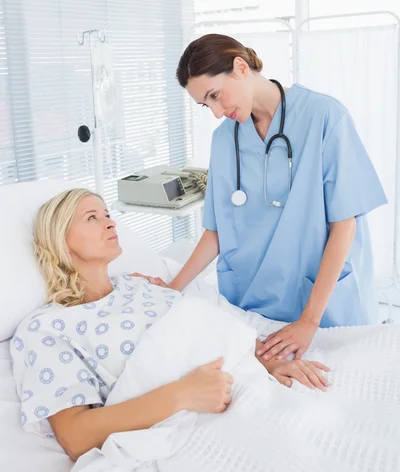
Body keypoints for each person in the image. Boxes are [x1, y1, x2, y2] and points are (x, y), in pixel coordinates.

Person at [11, 189, 329, 462]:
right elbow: (75, 437)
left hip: (239, 389)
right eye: (92, 217)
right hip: (181, 429)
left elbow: (202, 335)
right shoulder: (46, 328)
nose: (110, 221)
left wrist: (262, 362)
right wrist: (182, 395)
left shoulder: (142, 287)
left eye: (107, 213)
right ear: (59, 238)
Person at [168, 33, 387, 362]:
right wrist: (170, 290)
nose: (215, 112)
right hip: (253, 305)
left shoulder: (324, 116)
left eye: (215, 96)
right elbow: (216, 232)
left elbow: (345, 226)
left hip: (322, 310)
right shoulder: (225, 139)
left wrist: (308, 322)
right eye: (206, 104)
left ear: (240, 68)